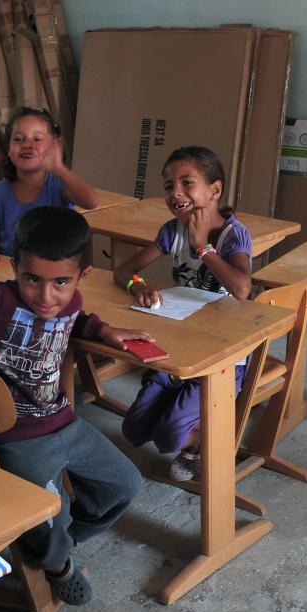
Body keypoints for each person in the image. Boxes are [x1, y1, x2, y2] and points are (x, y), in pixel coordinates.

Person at [0, 207, 148, 605]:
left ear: (82, 276)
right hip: (17, 437)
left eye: (60, 282)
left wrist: (105, 330)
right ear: (15, 267)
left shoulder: (70, 300)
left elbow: (74, 317)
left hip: (64, 420)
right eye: (32, 280)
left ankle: (60, 544)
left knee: (125, 484)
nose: (46, 297)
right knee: (46, 513)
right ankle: (59, 565)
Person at [111, 146, 254, 482]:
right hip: (179, 344)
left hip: (223, 353)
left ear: (214, 190)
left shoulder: (233, 235)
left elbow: (242, 288)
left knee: (168, 436)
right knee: (133, 429)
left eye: (187, 183)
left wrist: (203, 245)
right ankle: (194, 423)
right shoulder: (171, 231)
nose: (176, 193)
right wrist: (138, 286)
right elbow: (124, 270)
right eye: (168, 186)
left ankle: (208, 440)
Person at [0, 107, 100, 267]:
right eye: (18, 139)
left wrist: (59, 169)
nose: (27, 145)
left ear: (52, 147)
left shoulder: (58, 184)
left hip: (55, 270)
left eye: (37, 139)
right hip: (12, 270)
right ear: (7, 149)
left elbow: (91, 202)